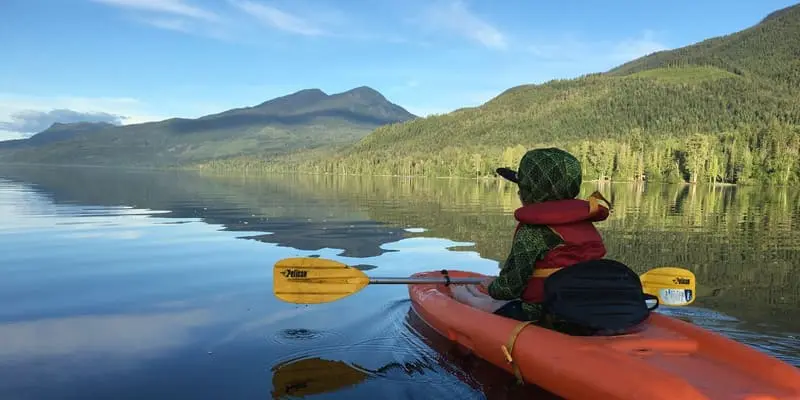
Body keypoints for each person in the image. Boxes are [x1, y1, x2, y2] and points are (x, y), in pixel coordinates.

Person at [450, 147, 611, 322]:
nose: (519, 192)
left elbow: (509, 289)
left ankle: (463, 299)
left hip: (544, 311)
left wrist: (491, 287)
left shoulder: (532, 232)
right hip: (585, 306)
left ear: (530, 193)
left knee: (477, 299)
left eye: (522, 188)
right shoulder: (585, 222)